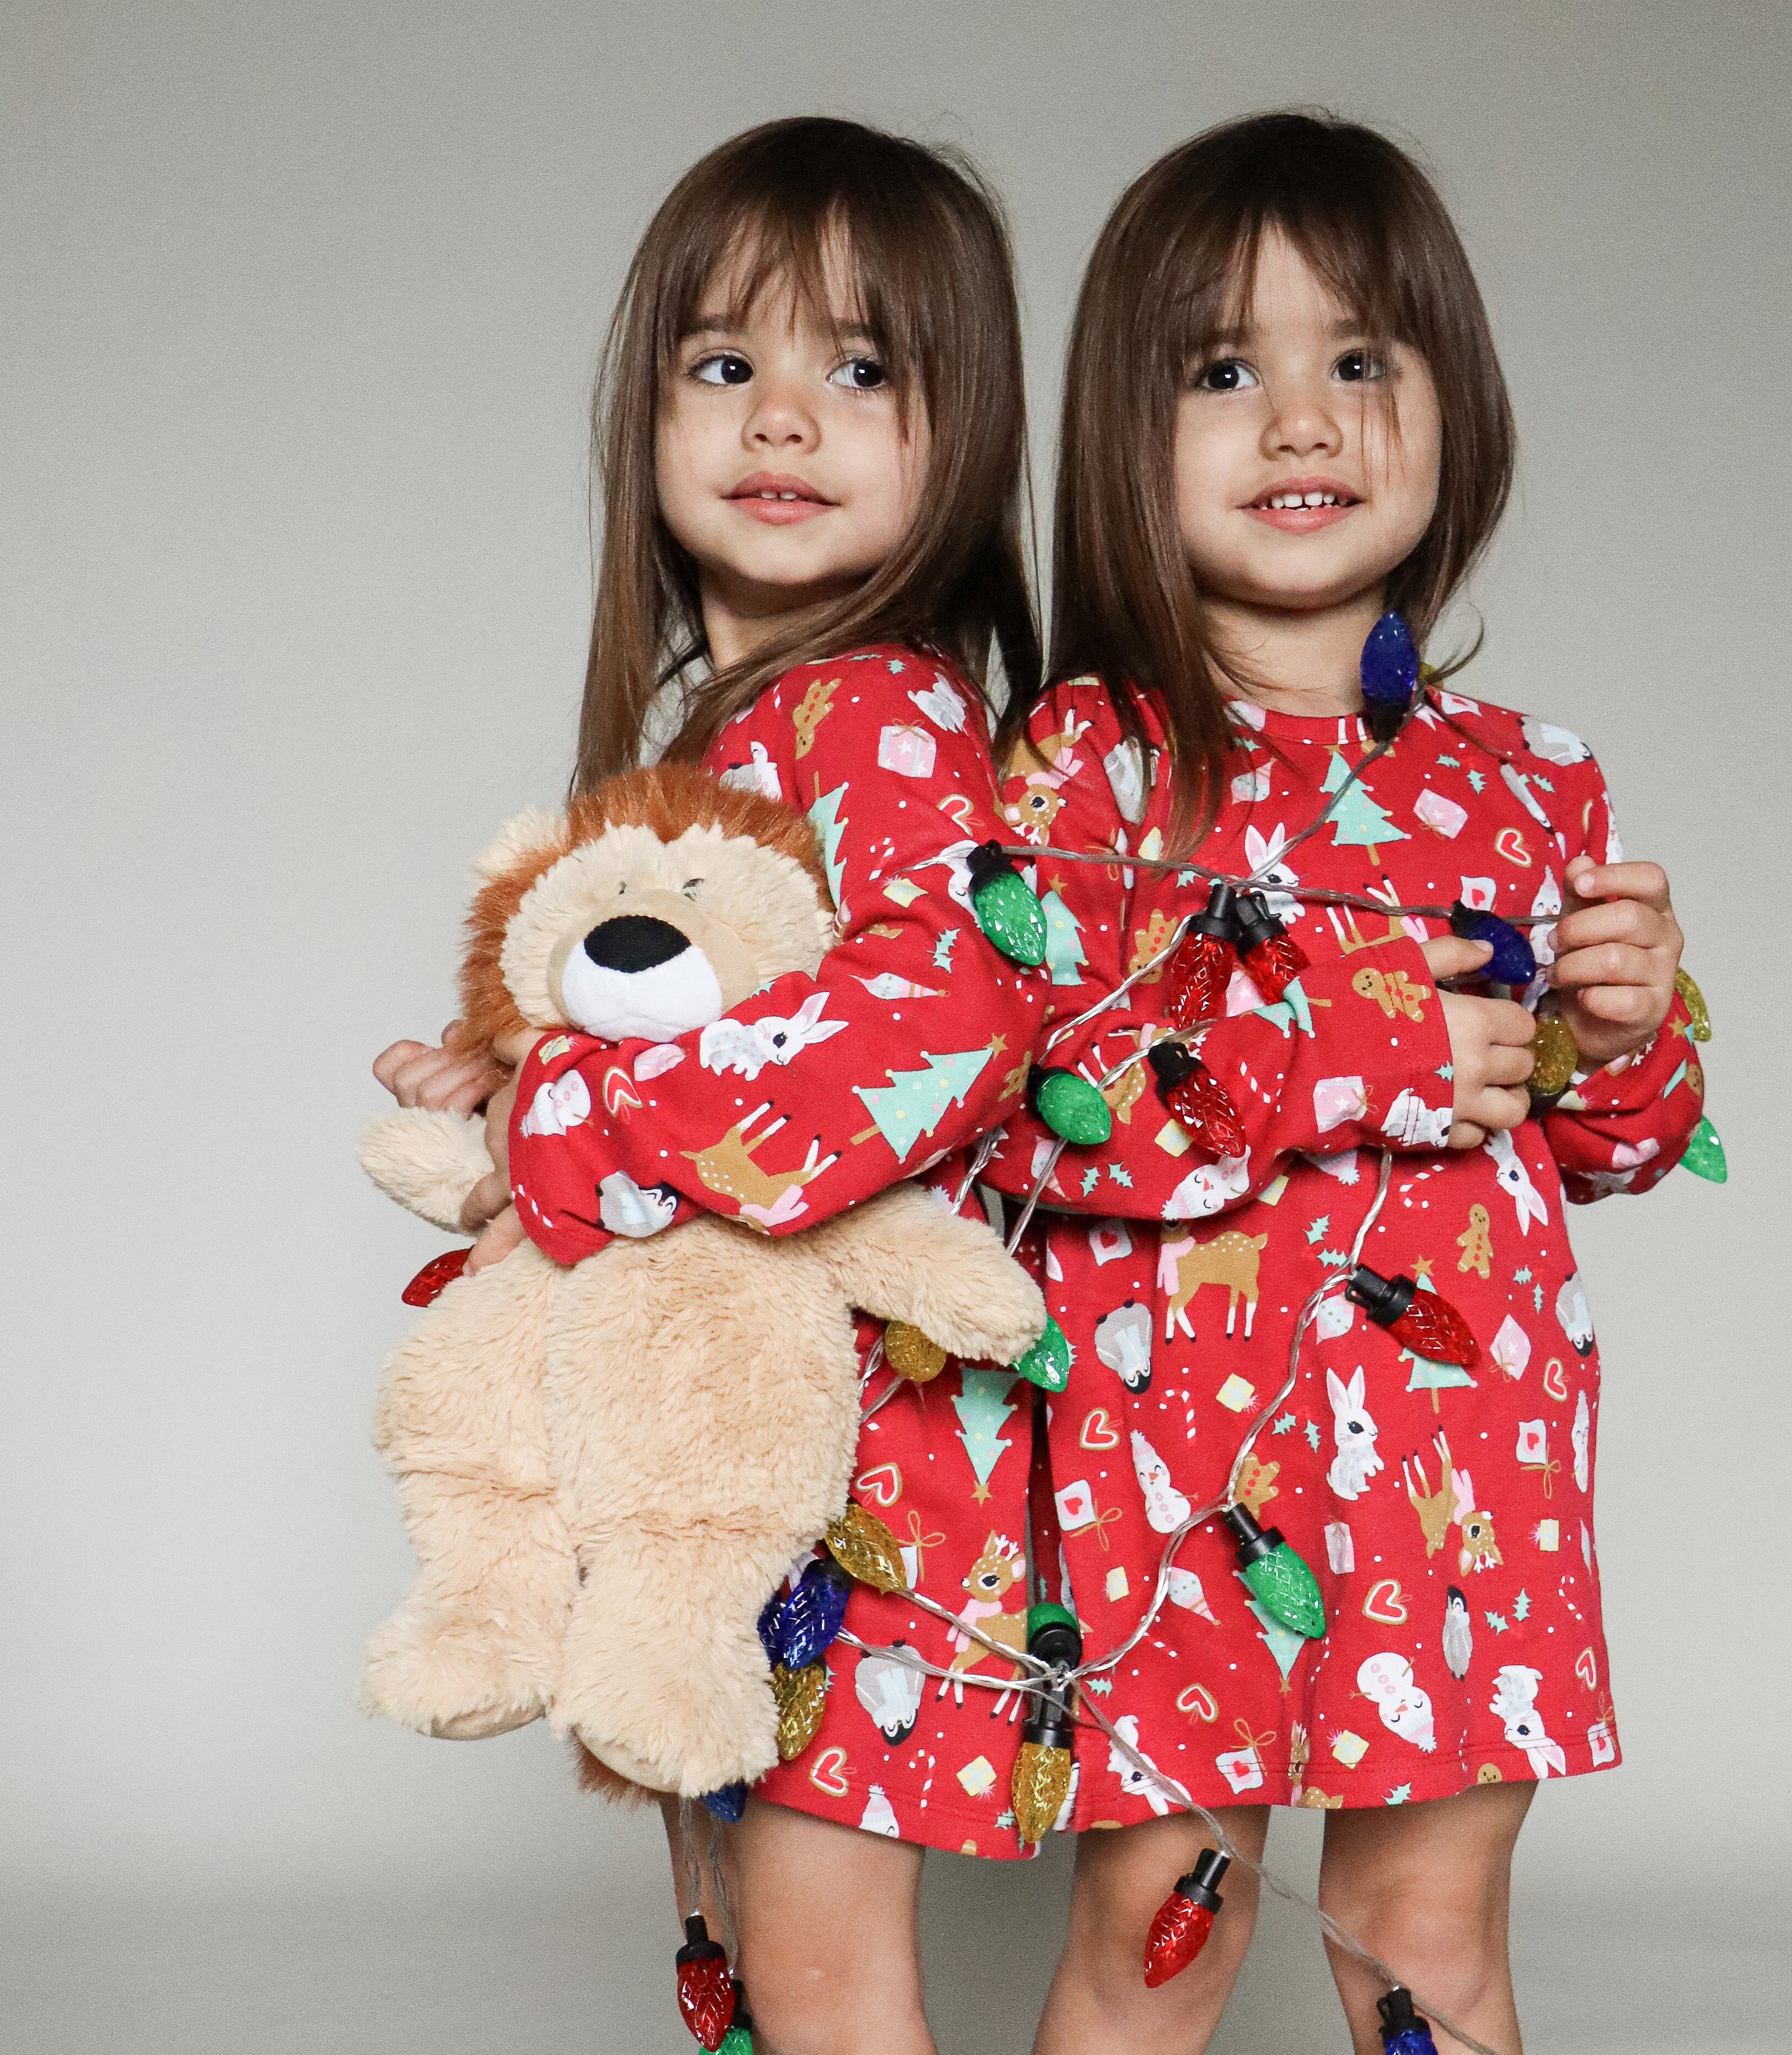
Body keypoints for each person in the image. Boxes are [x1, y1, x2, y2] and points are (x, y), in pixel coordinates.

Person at [979, 111, 1703, 2055]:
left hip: (1464, 1480)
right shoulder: (1087, 770)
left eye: (1360, 359)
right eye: (1224, 371)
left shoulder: (1528, 776)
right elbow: (1039, 1103)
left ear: (1453, 405)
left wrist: (1632, 1029)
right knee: (1161, 1935)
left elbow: (1608, 1142)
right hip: (1177, 1483)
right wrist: (1367, 1045)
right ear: (1123, 437)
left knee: (1425, 1932)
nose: (1302, 419)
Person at [371, 116, 1050, 2055]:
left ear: (963, 433)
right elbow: (722, 1018)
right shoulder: (726, 734)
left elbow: (939, 1023)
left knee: (820, 1964)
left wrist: (571, 1125)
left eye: (862, 369)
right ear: (649, 411)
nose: (782, 418)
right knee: (745, 1934)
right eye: (725, 362)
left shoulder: (885, 708)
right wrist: (512, 1070)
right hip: (717, 1433)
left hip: (856, 1458)